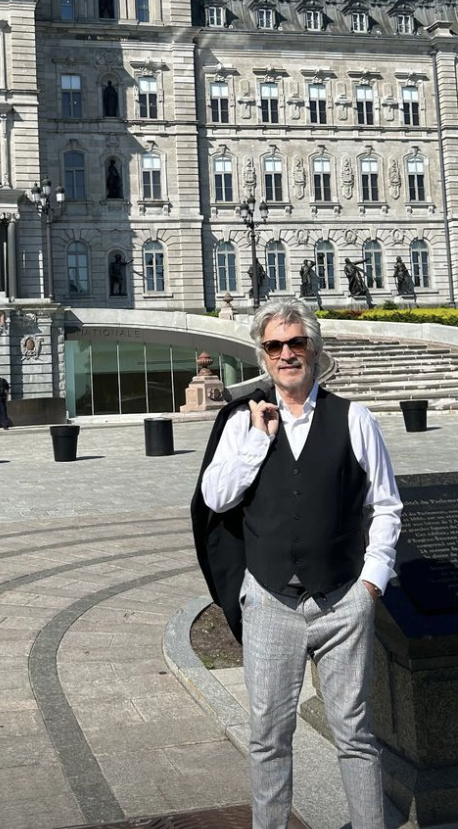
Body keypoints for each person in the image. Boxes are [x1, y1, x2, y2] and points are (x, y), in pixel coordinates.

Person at [194, 298, 402, 829]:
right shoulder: (242, 423)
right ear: (262, 357)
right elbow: (216, 498)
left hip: (340, 601)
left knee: (354, 734)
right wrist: (256, 442)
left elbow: (385, 505)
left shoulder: (354, 418)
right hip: (269, 602)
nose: (287, 354)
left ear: (313, 347)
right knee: (267, 739)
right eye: (275, 346)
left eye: (296, 343)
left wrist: (371, 584)